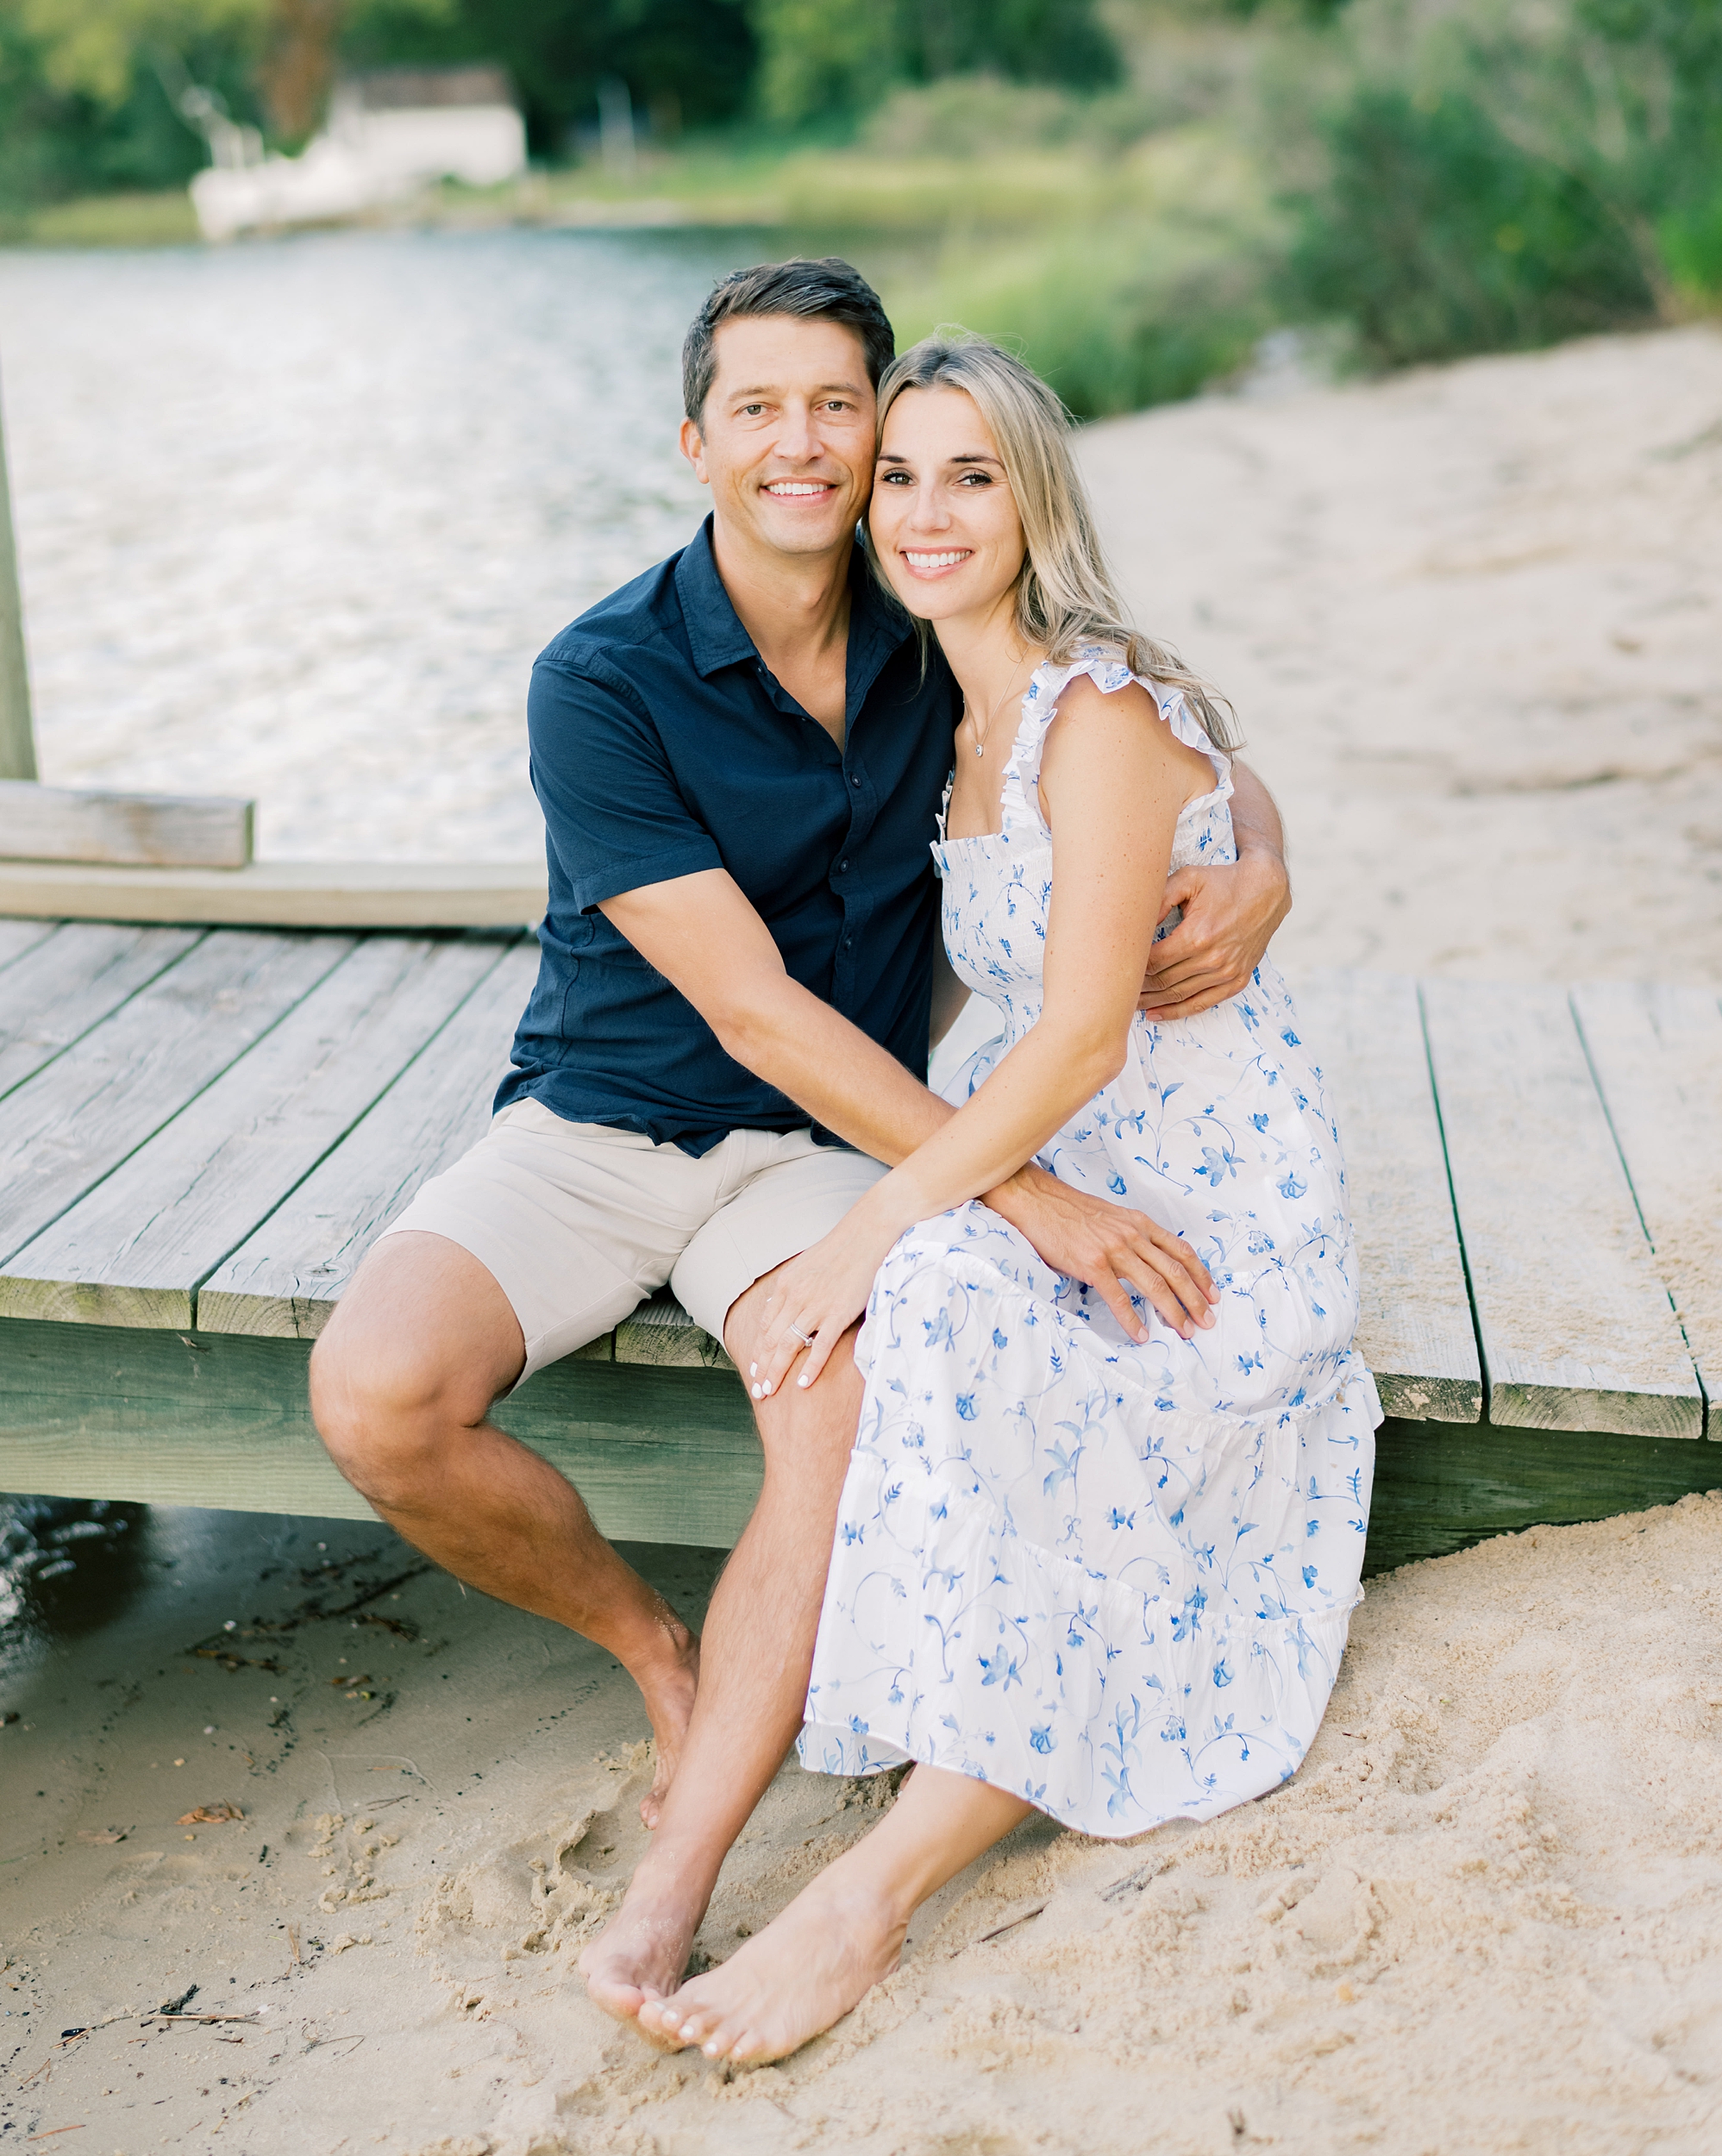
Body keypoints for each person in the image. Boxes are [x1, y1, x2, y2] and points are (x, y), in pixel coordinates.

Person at [307, 260, 1293, 2023]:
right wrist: (1033, 1186)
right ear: (695, 440)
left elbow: (1147, 716)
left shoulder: (936, 604)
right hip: (598, 1119)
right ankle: (654, 1648)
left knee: (827, 1388)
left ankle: (687, 1864)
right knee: (375, 1395)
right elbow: (751, 1008)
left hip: (827, 1143)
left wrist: (1266, 855)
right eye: (757, 406)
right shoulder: (597, 678)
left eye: (837, 403)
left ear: (875, 427)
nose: (805, 441)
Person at [634, 333, 1380, 2067]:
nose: (924, 508)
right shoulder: (936, 700)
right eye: (898, 475)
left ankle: (867, 1895)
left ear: (1034, 496)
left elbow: (1079, 1036)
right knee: (942, 1310)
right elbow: (1208, 792)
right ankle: (945, 1707)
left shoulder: (1085, 701)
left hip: (1202, 1175)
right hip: (1065, 1142)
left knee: (961, 1304)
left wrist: (875, 1214)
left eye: (968, 474)